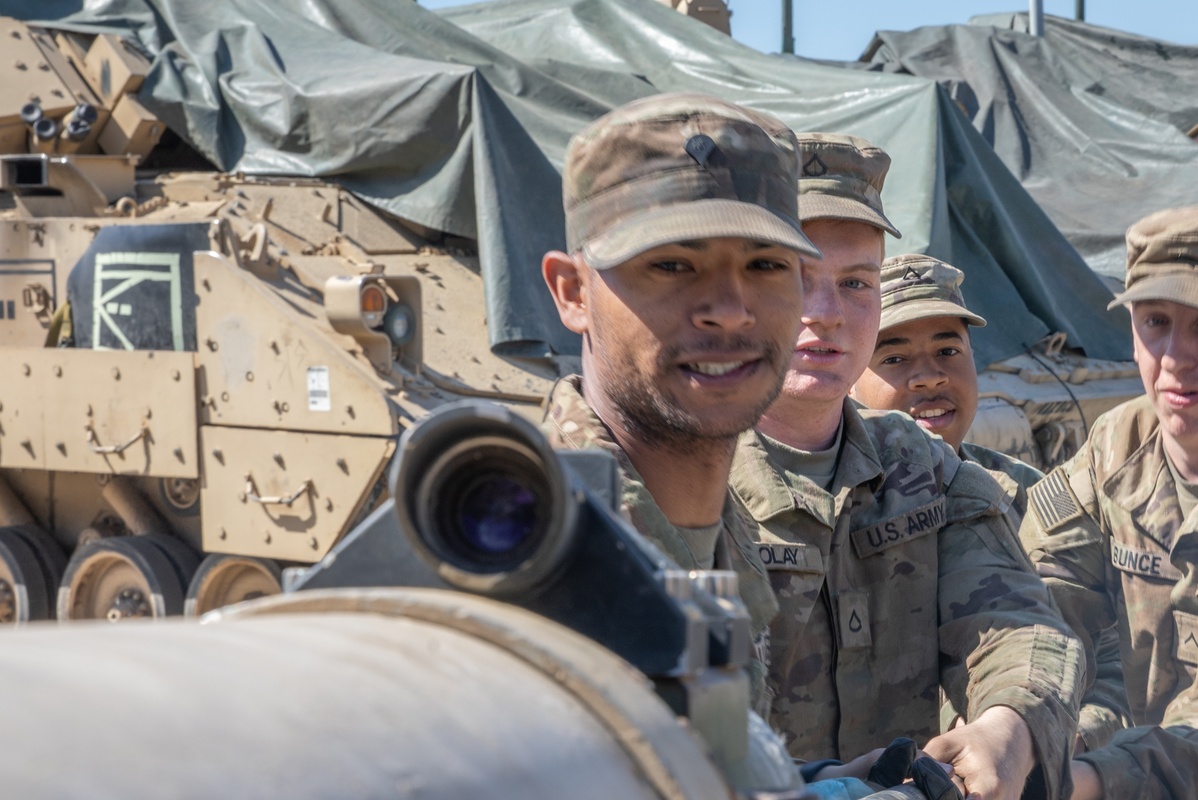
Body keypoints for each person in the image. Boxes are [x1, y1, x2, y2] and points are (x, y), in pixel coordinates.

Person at [728, 132, 1083, 800]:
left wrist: (1008, 728)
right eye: (794, 278)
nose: (825, 314)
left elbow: (1020, 625)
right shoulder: (687, 476)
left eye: (856, 282)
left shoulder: (921, 467)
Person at [539, 92, 819, 712]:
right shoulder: (522, 547)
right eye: (671, 264)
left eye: (766, 263)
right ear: (572, 292)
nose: (729, 310)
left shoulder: (723, 528)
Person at [1020, 205, 1198, 800]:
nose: (1175, 356)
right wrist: (1022, 727)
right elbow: (1043, 601)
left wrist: (1094, 776)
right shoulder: (1117, 446)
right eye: (1155, 322)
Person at [850, 253, 1044, 515]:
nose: (930, 377)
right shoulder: (834, 507)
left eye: (948, 351)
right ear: (848, 379)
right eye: (894, 358)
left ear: (973, 356)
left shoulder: (1026, 492)